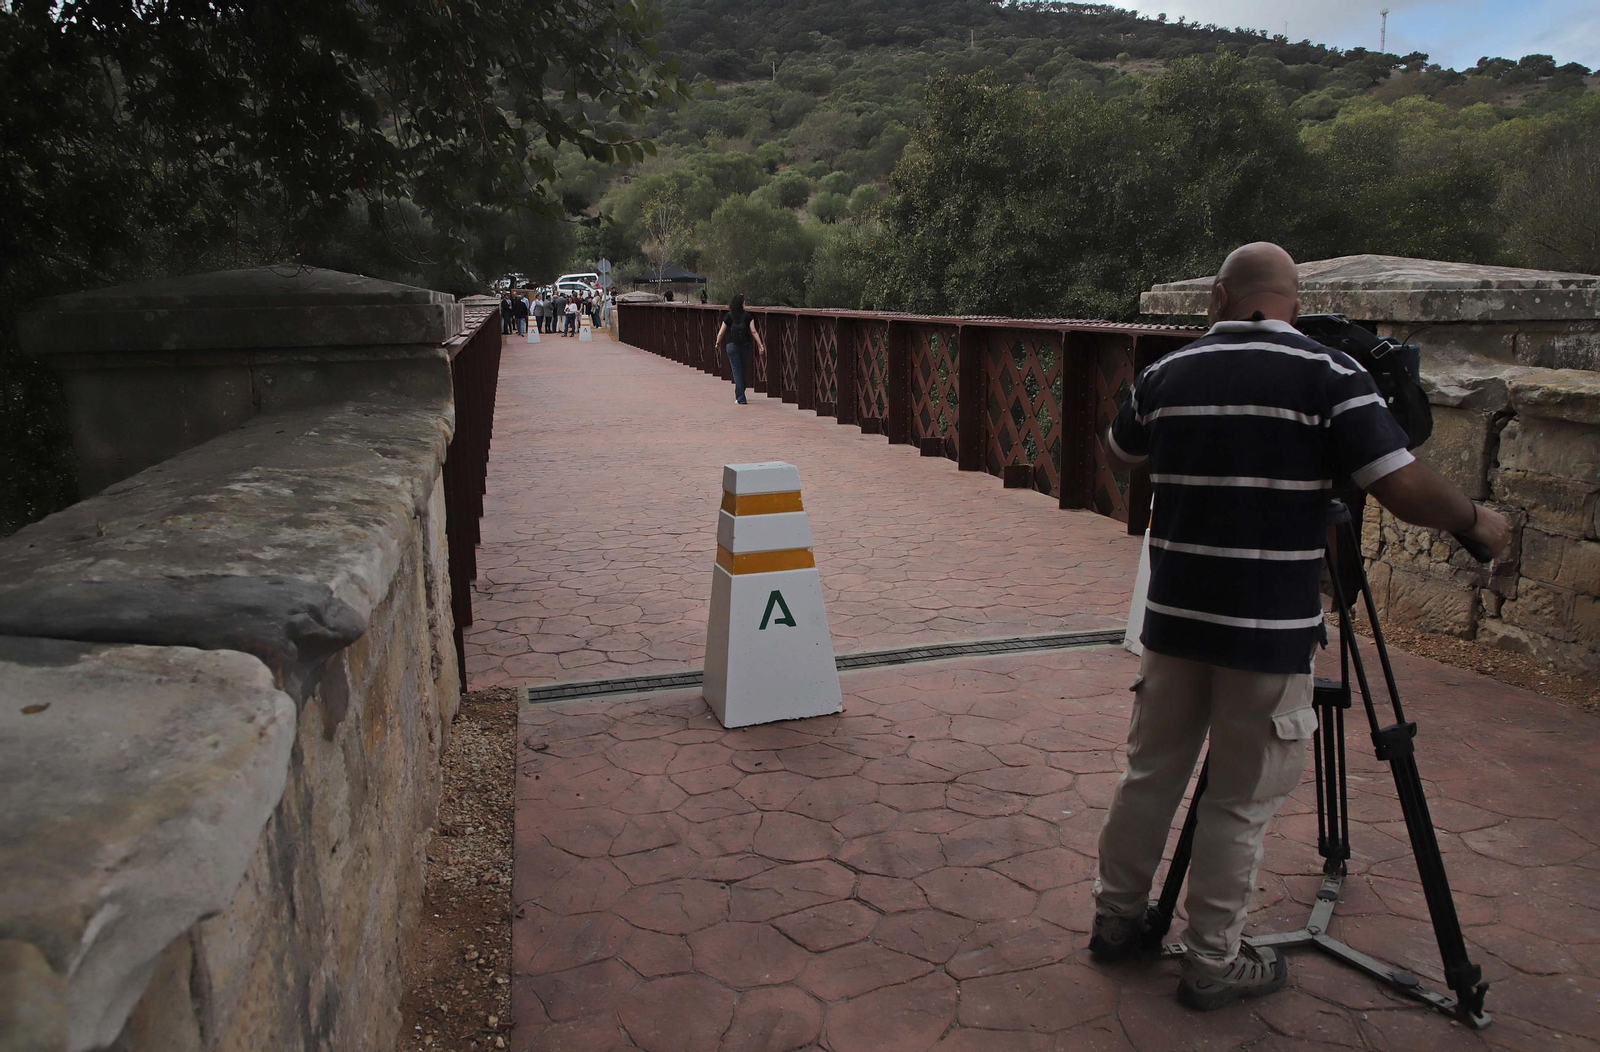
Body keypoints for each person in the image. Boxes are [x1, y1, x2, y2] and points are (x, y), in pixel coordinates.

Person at [1090, 242, 1511, 1012]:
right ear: (1291, 299)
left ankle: (1116, 922)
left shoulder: (1165, 374)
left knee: (1150, 773)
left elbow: (1120, 454)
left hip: (1174, 619)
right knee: (1239, 798)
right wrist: (1478, 520)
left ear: (1219, 295)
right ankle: (1212, 961)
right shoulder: (1331, 375)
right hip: (1266, 627)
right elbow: (1402, 484)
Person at [712, 294, 766, 405]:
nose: (745, 304)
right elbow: (753, 331)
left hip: (732, 345)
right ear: (741, 304)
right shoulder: (748, 316)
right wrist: (760, 344)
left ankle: (740, 397)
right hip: (745, 346)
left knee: (737, 371)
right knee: (743, 370)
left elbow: (721, 332)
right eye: (744, 302)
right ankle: (740, 394)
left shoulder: (728, 316)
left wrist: (717, 343)